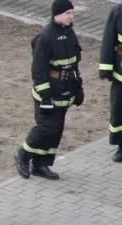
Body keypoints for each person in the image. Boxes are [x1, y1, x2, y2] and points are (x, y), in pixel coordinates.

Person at [16, 0, 83, 179]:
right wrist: (45, 95)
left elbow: (74, 64)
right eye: (68, 13)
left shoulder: (70, 33)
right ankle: (23, 155)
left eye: (72, 13)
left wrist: (78, 88)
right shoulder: (45, 37)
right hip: (48, 92)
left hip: (65, 90)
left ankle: (41, 165)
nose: (72, 16)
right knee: (46, 128)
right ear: (57, 14)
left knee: (56, 130)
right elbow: (38, 70)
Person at [99, 3, 122, 162]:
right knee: (119, 111)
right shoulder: (118, 12)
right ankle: (121, 146)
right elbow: (108, 40)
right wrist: (106, 68)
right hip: (121, 76)